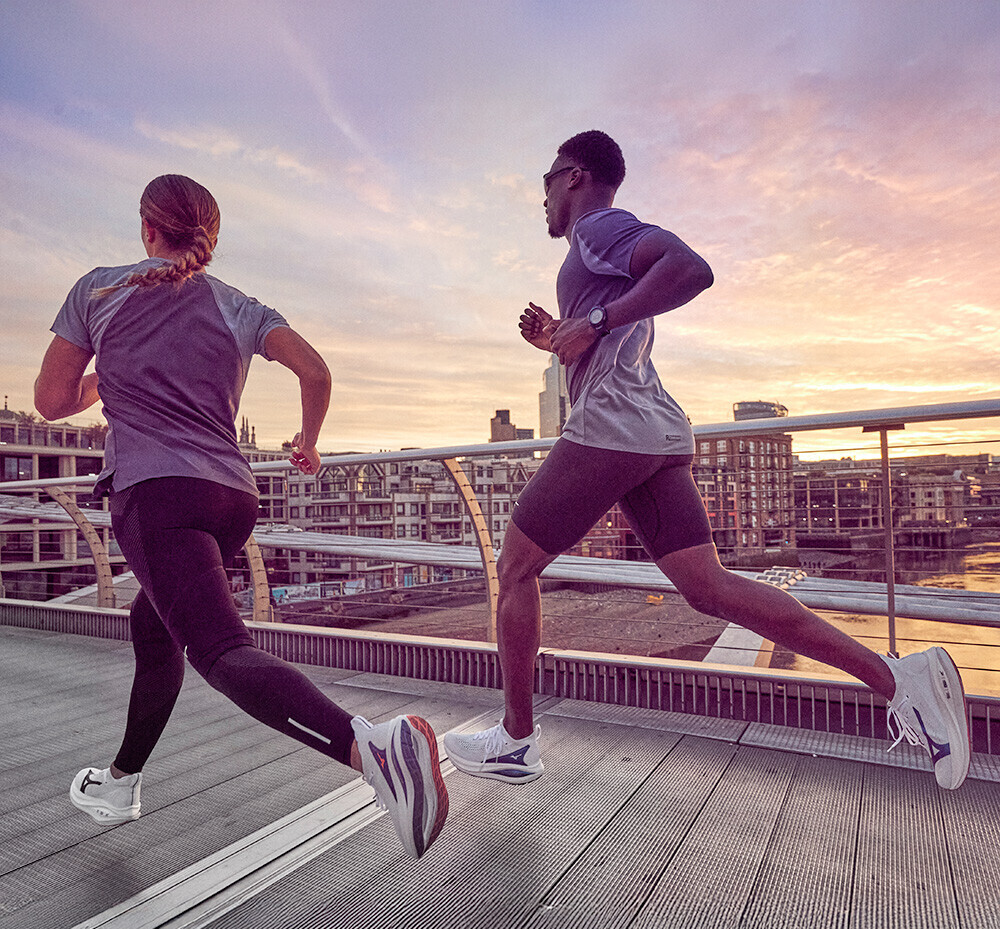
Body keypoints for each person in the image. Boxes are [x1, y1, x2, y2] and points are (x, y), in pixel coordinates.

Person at [444, 131, 971, 791]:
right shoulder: (598, 249)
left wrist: (598, 317)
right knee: (709, 587)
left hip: (611, 429)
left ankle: (516, 740)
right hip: (652, 429)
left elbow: (691, 270)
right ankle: (899, 678)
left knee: (515, 567)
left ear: (573, 175)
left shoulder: (598, 228)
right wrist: (562, 336)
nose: (540, 197)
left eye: (544, 181)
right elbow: (611, 340)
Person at [35, 174, 447, 859]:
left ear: (147, 229)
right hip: (231, 500)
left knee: (221, 653)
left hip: (157, 494)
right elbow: (316, 373)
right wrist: (308, 443)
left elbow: (50, 401)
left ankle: (371, 751)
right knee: (158, 629)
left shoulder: (98, 290)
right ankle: (119, 780)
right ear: (210, 239)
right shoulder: (239, 304)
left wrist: (105, 376)